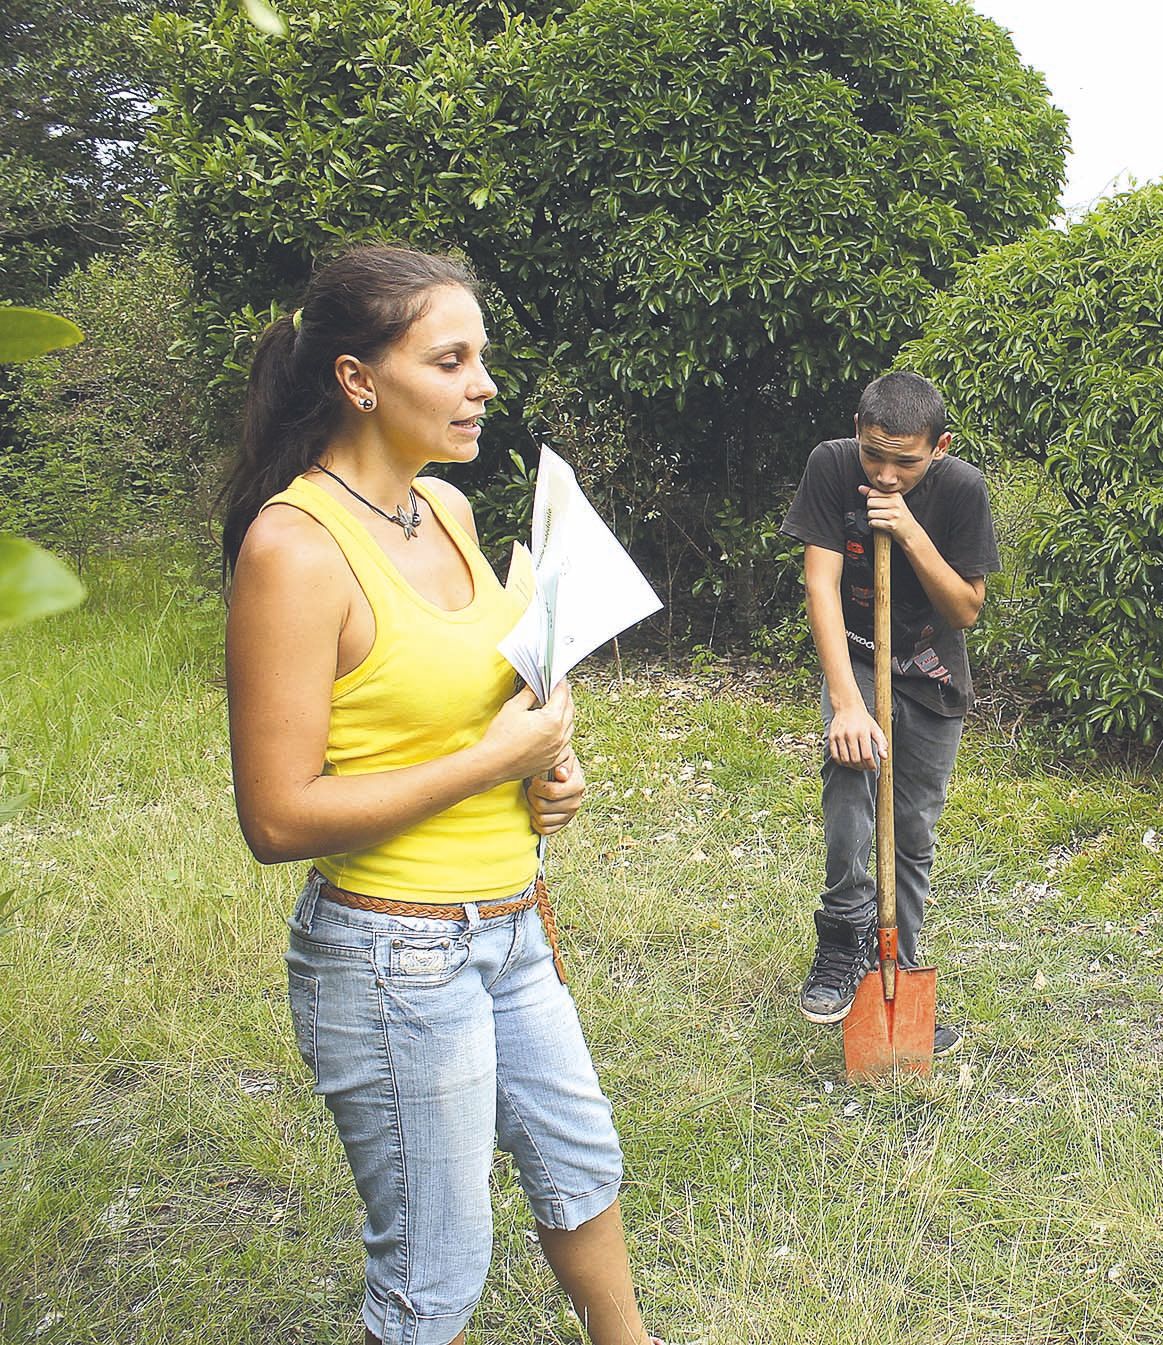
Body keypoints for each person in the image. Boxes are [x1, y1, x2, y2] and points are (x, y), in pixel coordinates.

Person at [223, 245, 661, 1345]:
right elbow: (276, 815)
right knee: (436, 1263)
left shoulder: (448, 510)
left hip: (510, 924)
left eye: (483, 358)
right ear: (358, 378)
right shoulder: (294, 549)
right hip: (391, 957)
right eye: (452, 359)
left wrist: (544, 767)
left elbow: (473, 701)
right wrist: (492, 762)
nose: (484, 385)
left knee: (580, 1163)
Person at [781, 371, 1000, 1057]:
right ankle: (844, 932)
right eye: (874, 454)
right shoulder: (832, 465)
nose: (883, 471)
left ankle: (896, 970)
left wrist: (906, 531)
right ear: (857, 430)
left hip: (933, 672)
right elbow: (819, 581)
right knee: (850, 778)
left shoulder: (961, 490)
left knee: (910, 829)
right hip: (856, 658)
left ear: (940, 446)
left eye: (904, 460)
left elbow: (964, 607)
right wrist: (845, 701)